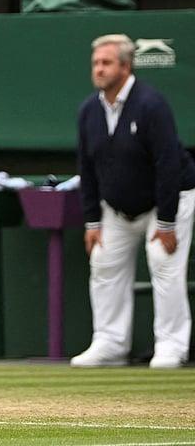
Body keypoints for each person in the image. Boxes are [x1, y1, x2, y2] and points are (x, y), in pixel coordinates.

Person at [72, 34, 195, 370]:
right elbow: (86, 166)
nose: (99, 69)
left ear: (126, 67)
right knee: (103, 262)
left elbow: (168, 163)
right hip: (116, 206)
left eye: (106, 63)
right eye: (96, 63)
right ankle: (109, 343)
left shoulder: (151, 104)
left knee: (163, 262)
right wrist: (92, 222)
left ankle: (171, 346)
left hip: (166, 200)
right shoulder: (88, 111)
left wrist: (167, 222)